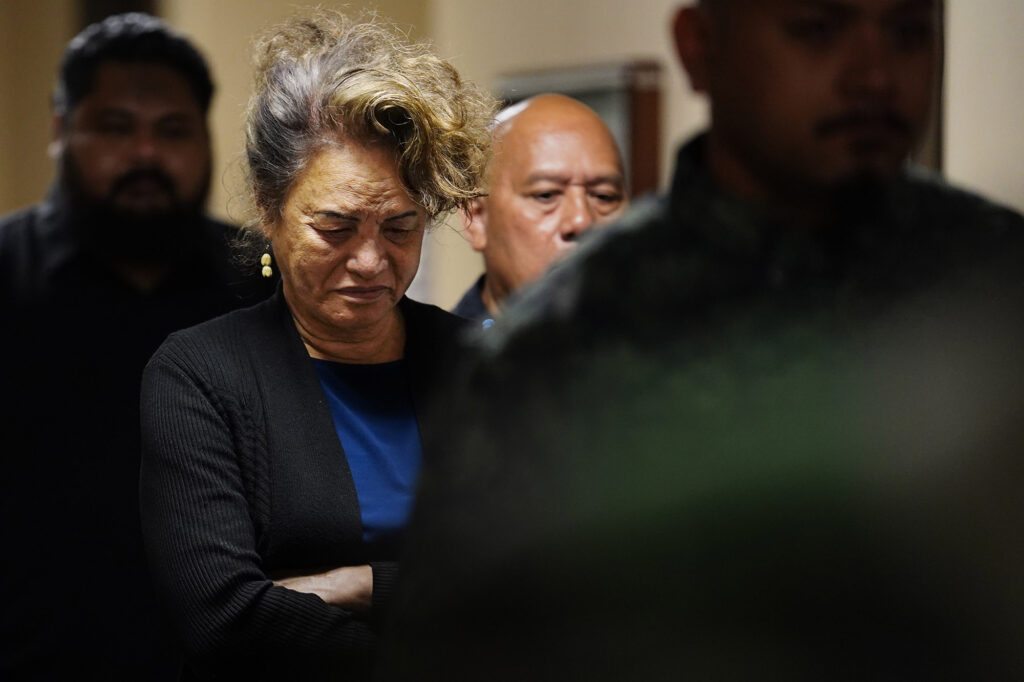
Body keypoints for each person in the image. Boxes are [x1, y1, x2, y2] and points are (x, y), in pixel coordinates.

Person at [382, 1, 1024, 679]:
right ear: (700, 47)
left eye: (906, 33)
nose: (874, 76)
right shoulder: (564, 340)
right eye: (817, 28)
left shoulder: (997, 281)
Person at [138, 11, 493, 681]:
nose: (370, 261)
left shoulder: (474, 362)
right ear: (270, 212)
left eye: (399, 227)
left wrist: (359, 584)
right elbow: (222, 617)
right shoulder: (199, 376)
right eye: (336, 227)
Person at [0, 13, 272, 680]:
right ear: (62, 133)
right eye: (116, 128)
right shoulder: (5, 273)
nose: (146, 155)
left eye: (172, 131)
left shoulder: (263, 283)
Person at [451, 93, 627, 324]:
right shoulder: (444, 358)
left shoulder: (668, 347)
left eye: (604, 197)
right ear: (477, 218)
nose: (581, 220)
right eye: (546, 195)